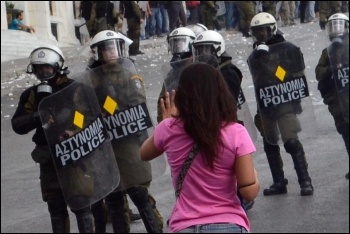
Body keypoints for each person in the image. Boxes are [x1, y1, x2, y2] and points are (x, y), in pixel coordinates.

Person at [140, 63, 259, 233]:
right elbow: (248, 192)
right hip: (228, 224)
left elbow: (144, 153)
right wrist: (253, 172)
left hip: (184, 225)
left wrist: (166, 123)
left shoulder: (169, 129)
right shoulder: (236, 132)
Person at [11, 45, 94, 233]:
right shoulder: (32, 94)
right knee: (56, 208)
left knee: (81, 205)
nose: (43, 72)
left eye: (47, 67)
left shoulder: (74, 88)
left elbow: (87, 115)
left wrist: (74, 130)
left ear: (58, 66)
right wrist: (37, 117)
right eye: (39, 68)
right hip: (48, 158)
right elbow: (17, 124)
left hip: (75, 155)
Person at [88, 30, 164, 233]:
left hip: (129, 143)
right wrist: (85, 120)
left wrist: (108, 107)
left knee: (138, 192)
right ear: (99, 52)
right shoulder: (90, 78)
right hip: (106, 146)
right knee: (114, 201)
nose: (111, 52)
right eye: (106, 48)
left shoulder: (128, 71)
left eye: (114, 47)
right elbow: (81, 108)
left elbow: (136, 100)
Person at [248, 12, 314, 196]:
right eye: (257, 31)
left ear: (272, 29)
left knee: (291, 141)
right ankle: (279, 182)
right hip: (267, 100)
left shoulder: (286, 48)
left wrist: (269, 62)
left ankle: (305, 181)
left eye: (264, 30)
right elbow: (258, 78)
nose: (261, 34)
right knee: (270, 142)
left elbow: (291, 76)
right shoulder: (256, 51)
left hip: (285, 100)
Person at [192, 29, 256, 210]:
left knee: (230, 170)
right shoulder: (201, 71)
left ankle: (240, 202)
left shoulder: (228, 72)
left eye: (206, 49)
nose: (203, 54)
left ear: (218, 50)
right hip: (206, 125)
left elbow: (225, 103)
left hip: (225, 127)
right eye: (199, 50)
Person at [315, 13, 349, 179]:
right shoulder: (327, 52)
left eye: (339, 26)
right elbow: (318, 72)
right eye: (333, 26)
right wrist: (331, 68)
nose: (336, 30)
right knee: (345, 131)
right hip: (337, 99)